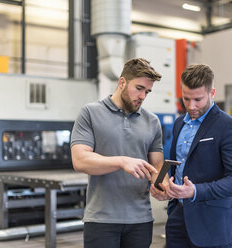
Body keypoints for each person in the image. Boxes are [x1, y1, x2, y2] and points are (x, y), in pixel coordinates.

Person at [70, 58, 165, 248]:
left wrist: (162, 184)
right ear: (122, 82)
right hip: (101, 220)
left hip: (141, 220)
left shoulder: (152, 121)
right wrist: (121, 161)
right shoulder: (90, 113)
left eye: (147, 91)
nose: (143, 96)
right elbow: (80, 160)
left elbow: (157, 165)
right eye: (138, 88)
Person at [151, 64, 232, 248]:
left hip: (212, 224)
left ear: (212, 93)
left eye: (198, 99)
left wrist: (195, 191)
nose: (191, 106)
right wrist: (162, 185)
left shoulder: (229, 127)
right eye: (186, 99)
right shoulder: (179, 123)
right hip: (178, 218)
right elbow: (175, 166)